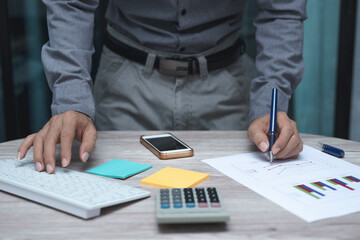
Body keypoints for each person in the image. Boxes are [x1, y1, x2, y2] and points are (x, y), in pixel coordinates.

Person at [17, 0, 306, 173]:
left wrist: (272, 101)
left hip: (226, 84)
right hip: (126, 83)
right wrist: (72, 101)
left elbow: (281, 10)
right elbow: (72, 3)